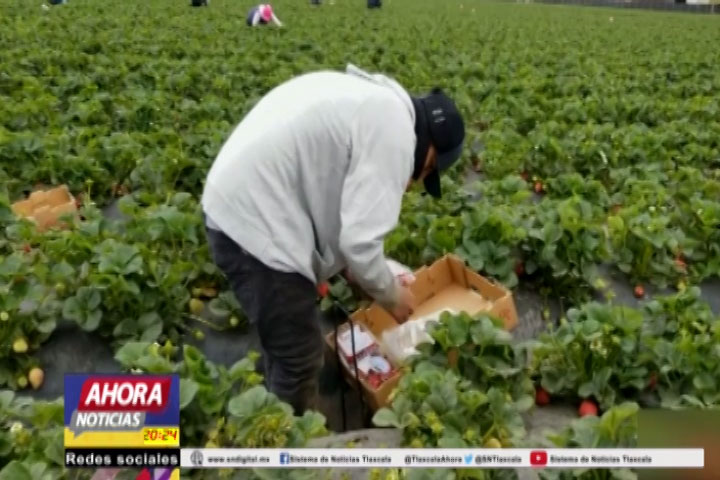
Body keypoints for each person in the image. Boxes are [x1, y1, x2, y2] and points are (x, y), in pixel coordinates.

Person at [201, 64, 465, 415]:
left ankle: (271, 408)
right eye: (427, 172)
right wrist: (391, 295)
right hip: (256, 226)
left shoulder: (376, 104)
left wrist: (360, 271)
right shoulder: (395, 133)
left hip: (237, 203)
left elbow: (341, 211)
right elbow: (359, 244)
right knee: (300, 357)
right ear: (431, 151)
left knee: (284, 340)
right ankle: (284, 452)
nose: (414, 182)